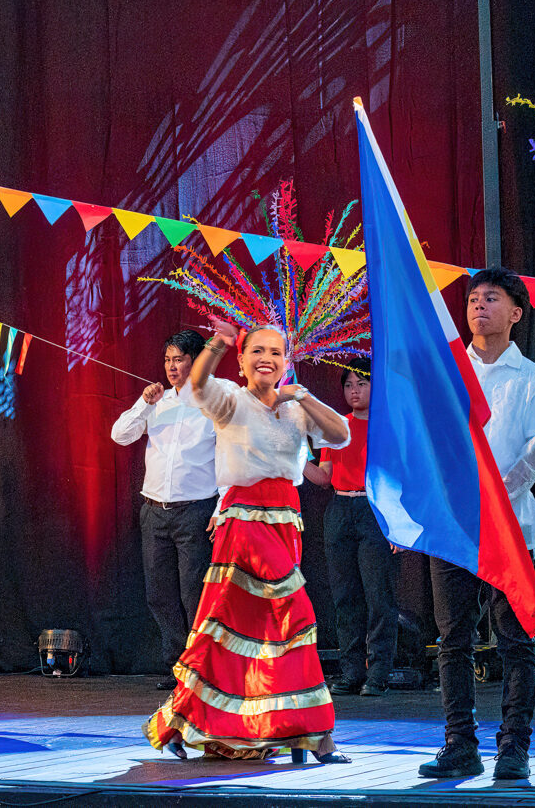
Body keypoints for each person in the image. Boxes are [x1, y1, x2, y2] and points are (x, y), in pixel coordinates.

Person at [144, 319, 350, 762]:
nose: (266, 360)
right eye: (257, 351)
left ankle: (189, 721)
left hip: (285, 523)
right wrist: (219, 342)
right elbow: (198, 383)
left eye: (276, 353)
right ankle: (319, 734)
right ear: (241, 361)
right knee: (295, 616)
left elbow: (340, 436)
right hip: (243, 522)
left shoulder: (297, 406)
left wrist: (306, 397)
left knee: (237, 630)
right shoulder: (230, 401)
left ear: (286, 362)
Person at [419, 268, 535, 781]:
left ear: (516, 313)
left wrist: (496, 496)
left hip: (509, 529)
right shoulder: (448, 375)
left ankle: (513, 748)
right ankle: (460, 744)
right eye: (473, 298)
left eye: (491, 298)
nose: (479, 306)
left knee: (515, 640)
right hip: (452, 526)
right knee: (452, 639)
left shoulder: (533, 379)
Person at [110, 330, 218, 690]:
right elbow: (119, 435)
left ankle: (200, 666)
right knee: (159, 592)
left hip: (196, 510)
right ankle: (177, 664)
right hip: (155, 510)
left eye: (180, 359)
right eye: (168, 360)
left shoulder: (213, 402)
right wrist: (144, 403)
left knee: (193, 592)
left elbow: (229, 457)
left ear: (196, 360)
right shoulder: (158, 401)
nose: (172, 367)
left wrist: (223, 505)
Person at [301, 358, 395, 697]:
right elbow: (324, 478)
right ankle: (351, 671)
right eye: (349, 385)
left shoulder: (387, 425)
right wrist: (299, 457)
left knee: (377, 595)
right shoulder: (336, 427)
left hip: (375, 508)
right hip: (340, 508)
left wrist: (395, 523)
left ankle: (380, 671)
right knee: (344, 595)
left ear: (375, 386)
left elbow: (398, 478)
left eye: (362, 384)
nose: (354, 391)